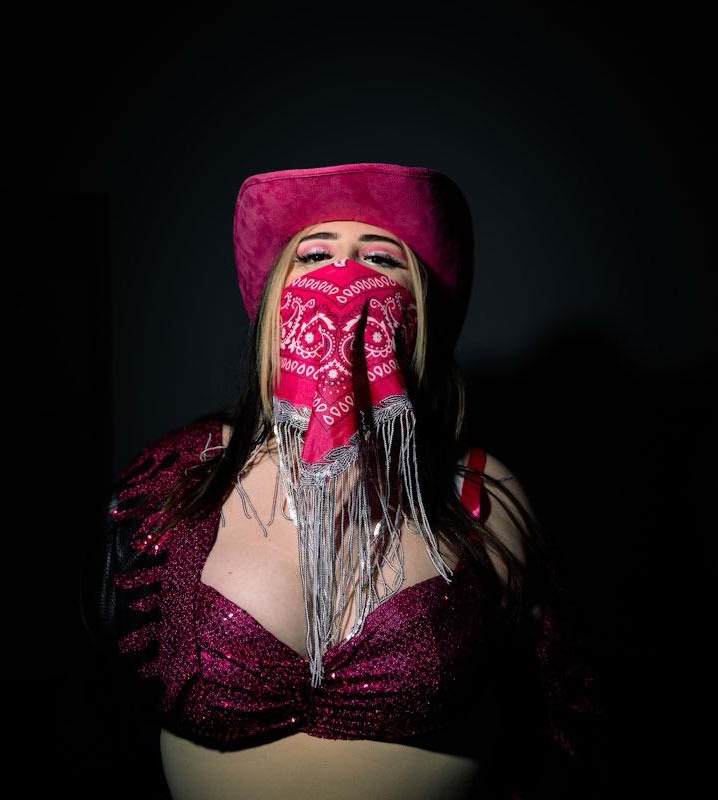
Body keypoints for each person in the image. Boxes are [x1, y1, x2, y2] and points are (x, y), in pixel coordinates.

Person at [81, 163, 605, 799]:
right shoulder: (185, 473)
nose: (343, 272)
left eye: (379, 258)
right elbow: (102, 699)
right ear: (273, 302)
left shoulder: (481, 490)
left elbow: (554, 713)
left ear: (421, 314)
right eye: (313, 255)